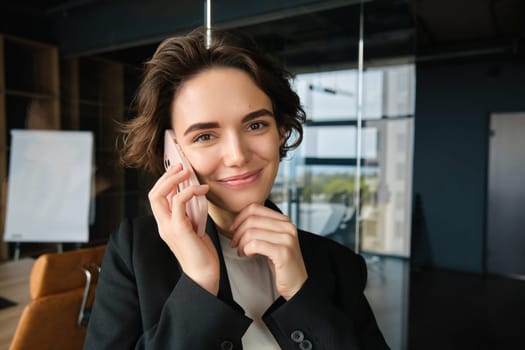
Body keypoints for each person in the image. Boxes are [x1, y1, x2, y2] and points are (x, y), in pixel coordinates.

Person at [84, 27, 390, 350]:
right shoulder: (136, 255)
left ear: (281, 132)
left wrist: (303, 295)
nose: (238, 156)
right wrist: (199, 283)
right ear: (172, 151)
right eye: (205, 136)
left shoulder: (337, 265)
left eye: (256, 125)